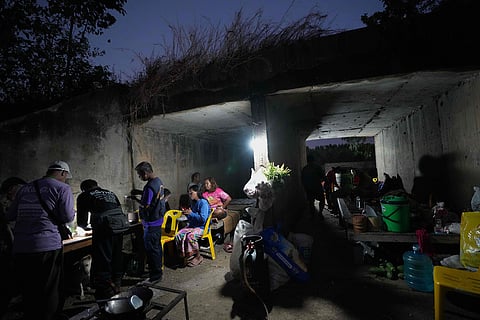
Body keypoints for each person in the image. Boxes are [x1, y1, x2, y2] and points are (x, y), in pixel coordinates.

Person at [6, 160, 75, 320]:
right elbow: (68, 217)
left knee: (29, 288)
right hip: (46, 245)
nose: (66, 180)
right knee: (49, 289)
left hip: (21, 246)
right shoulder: (62, 188)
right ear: (63, 173)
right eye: (66, 177)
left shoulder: (25, 188)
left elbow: (10, 215)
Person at [76, 179, 125, 299]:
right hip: (120, 227)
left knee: (103, 259)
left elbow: (81, 221)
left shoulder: (84, 195)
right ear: (97, 185)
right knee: (116, 255)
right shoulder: (110, 193)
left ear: (84, 189)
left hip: (104, 229)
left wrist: (84, 228)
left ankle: (106, 292)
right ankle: (117, 284)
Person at [134, 161, 165, 283]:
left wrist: (135, 199)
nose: (139, 177)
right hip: (158, 220)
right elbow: (154, 197)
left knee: (152, 249)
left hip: (151, 223)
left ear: (145, 173)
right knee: (156, 248)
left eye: (139, 174)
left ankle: (155, 276)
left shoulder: (149, 186)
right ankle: (157, 272)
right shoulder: (158, 182)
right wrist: (139, 193)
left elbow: (146, 204)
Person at [0, 177, 26, 318]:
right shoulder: (4, 203)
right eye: (20, 190)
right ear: (11, 189)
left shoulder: (10, 202)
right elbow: (6, 228)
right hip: (6, 247)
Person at [176, 184, 210, 267]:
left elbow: (203, 219)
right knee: (179, 234)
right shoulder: (193, 203)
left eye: (191, 193)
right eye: (189, 193)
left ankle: (198, 256)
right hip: (193, 226)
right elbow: (192, 217)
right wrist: (187, 214)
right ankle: (185, 255)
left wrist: (191, 213)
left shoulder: (203, 203)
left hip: (201, 227)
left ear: (198, 192)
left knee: (190, 236)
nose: (189, 194)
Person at [301, 154, 325, 219]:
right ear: (313, 160)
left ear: (307, 161)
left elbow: (302, 179)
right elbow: (323, 177)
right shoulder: (317, 167)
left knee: (311, 202)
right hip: (317, 187)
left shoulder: (304, 169)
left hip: (309, 188)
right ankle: (320, 213)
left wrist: (305, 188)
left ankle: (312, 215)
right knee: (322, 200)